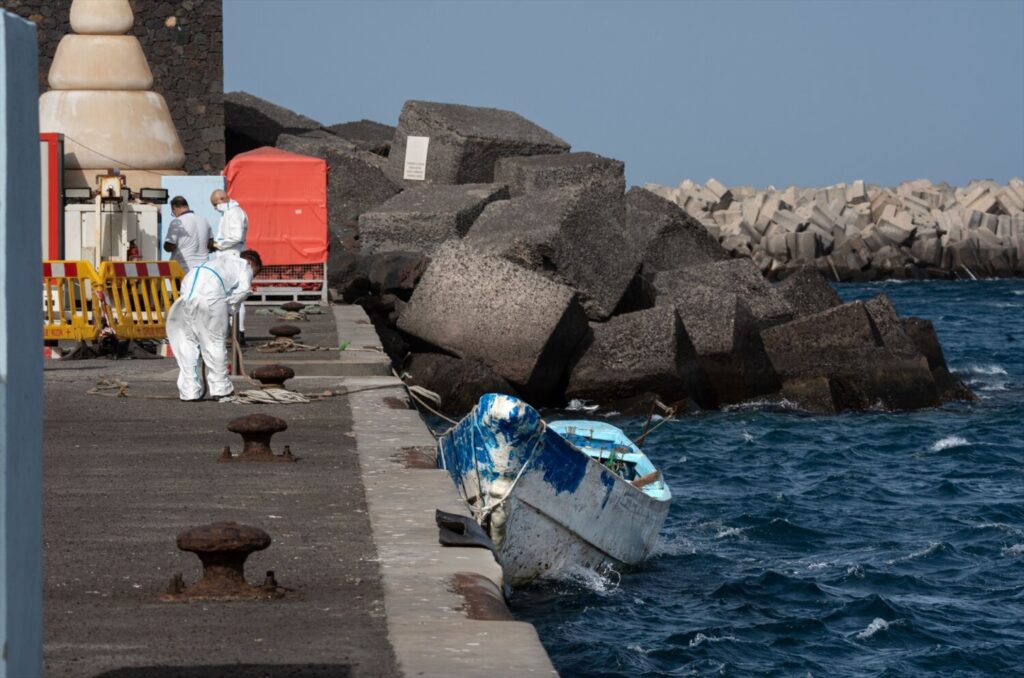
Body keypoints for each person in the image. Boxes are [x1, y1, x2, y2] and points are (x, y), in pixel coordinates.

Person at [165, 249, 263, 401]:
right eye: (255, 274)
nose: (253, 276)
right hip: (211, 292)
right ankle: (221, 389)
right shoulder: (245, 265)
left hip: (188, 287)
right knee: (214, 342)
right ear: (252, 263)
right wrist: (228, 310)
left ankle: (189, 391)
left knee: (188, 342)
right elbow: (243, 290)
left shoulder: (219, 261)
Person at [209, 188, 251, 343]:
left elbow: (236, 236)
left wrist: (218, 244)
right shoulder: (229, 213)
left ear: (221, 199)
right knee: (230, 295)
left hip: (232, 257)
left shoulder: (234, 213)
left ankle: (238, 332)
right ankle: (233, 331)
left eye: (215, 204)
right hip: (228, 257)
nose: (215, 208)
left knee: (236, 296)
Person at [163, 196, 211, 273]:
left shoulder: (177, 222)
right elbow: (210, 244)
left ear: (175, 208)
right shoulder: (204, 220)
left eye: (173, 212)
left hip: (183, 267)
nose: (174, 215)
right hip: (203, 268)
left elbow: (169, 247)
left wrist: (165, 245)